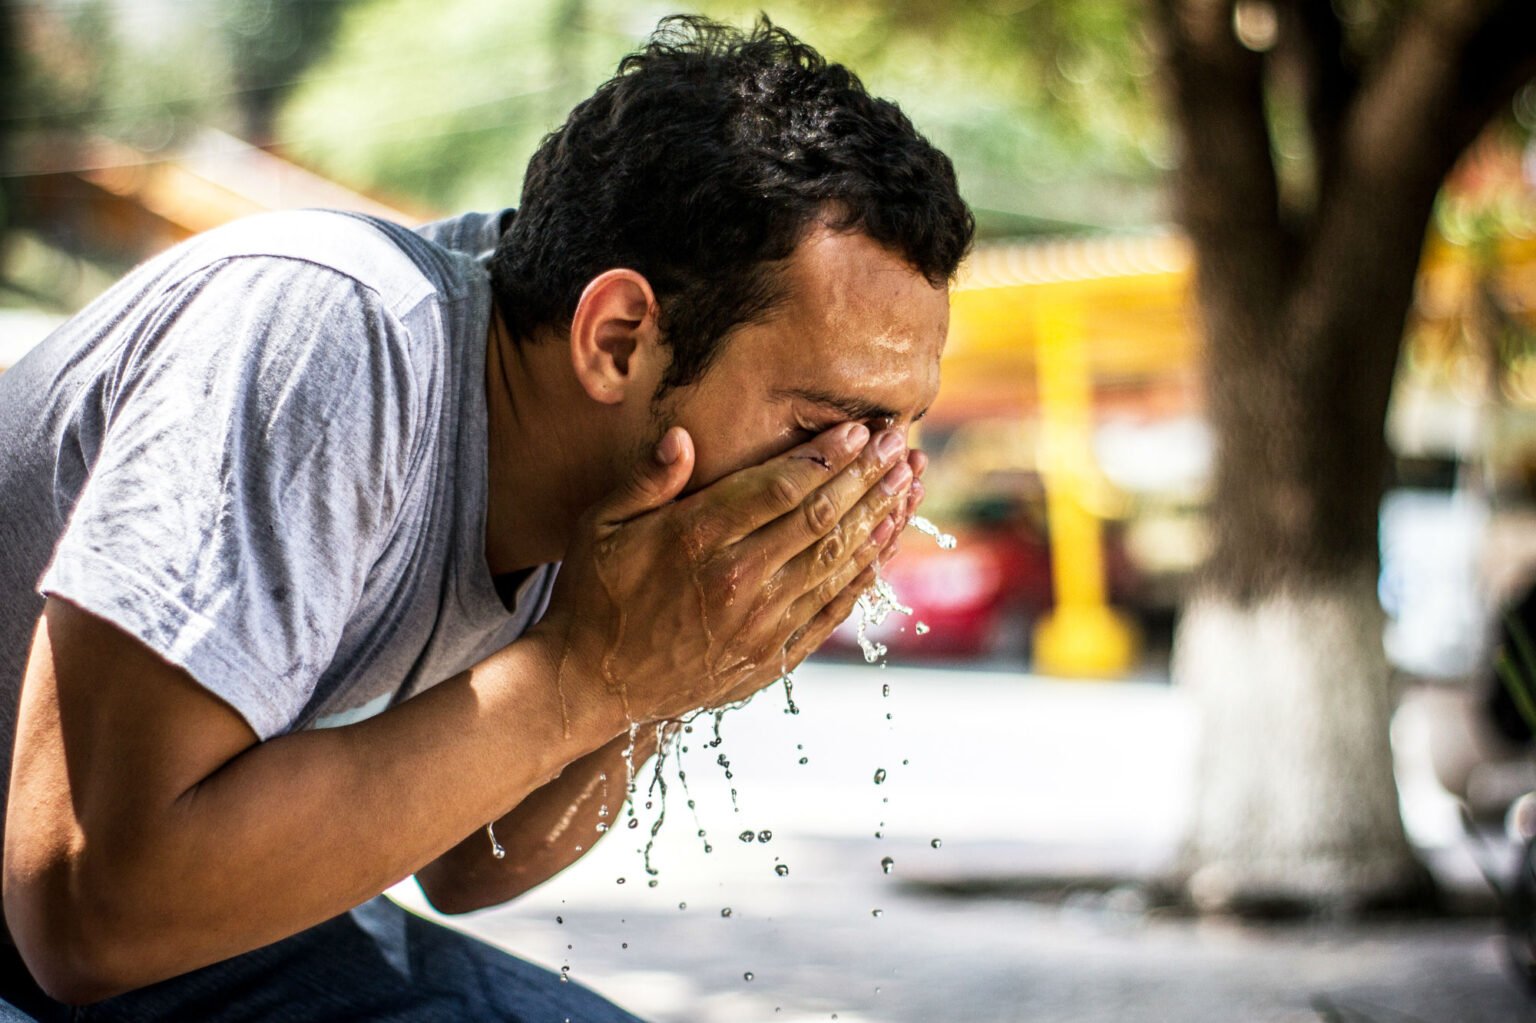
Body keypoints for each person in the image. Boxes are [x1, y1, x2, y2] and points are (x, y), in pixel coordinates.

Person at [0, 15, 972, 1021]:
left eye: (900, 426)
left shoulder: (604, 478)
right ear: (620, 340)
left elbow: (475, 864)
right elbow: (87, 914)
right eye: (830, 422)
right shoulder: (334, 337)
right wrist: (591, 673)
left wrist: (669, 674)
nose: (871, 472)